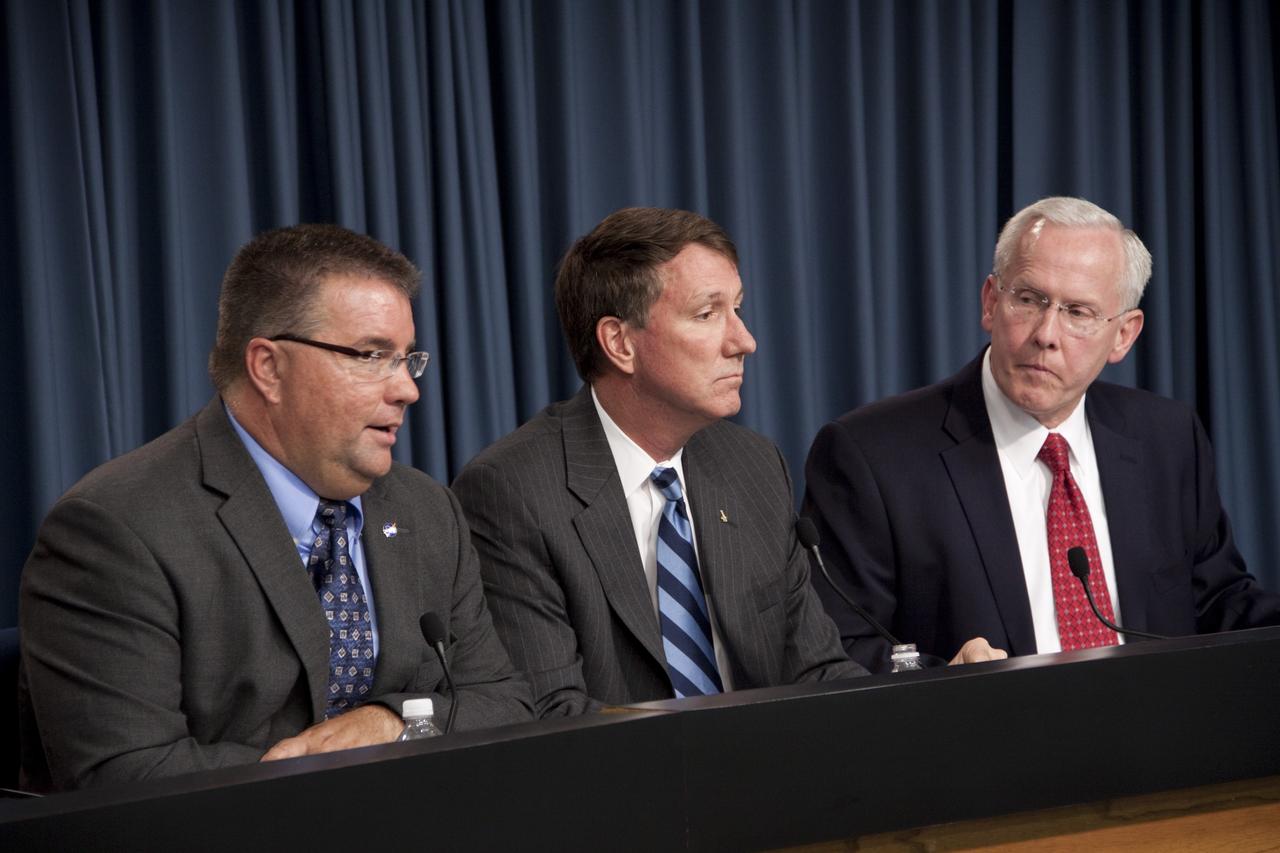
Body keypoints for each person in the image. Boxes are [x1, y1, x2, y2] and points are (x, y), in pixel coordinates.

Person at [19, 224, 532, 792]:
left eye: (407, 359)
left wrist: (390, 722)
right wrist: (317, 767)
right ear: (268, 367)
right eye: (371, 355)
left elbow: (501, 701)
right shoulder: (116, 528)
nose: (407, 390)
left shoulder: (424, 508)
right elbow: (125, 777)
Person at [803, 196, 1280, 673]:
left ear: (1124, 335)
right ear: (991, 302)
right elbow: (839, 647)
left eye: (1078, 312)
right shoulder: (872, 455)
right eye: (1029, 300)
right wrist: (942, 678)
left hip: (1158, 737)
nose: (1046, 334)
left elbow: (1220, 603)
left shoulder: (1168, 438)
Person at [452, 207, 864, 719]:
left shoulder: (753, 465)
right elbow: (552, 712)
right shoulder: (513, 490)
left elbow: (815, 672)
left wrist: (924, 702)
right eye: (707, 314)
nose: (744, 342)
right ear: (620, 343)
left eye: (738, 309)